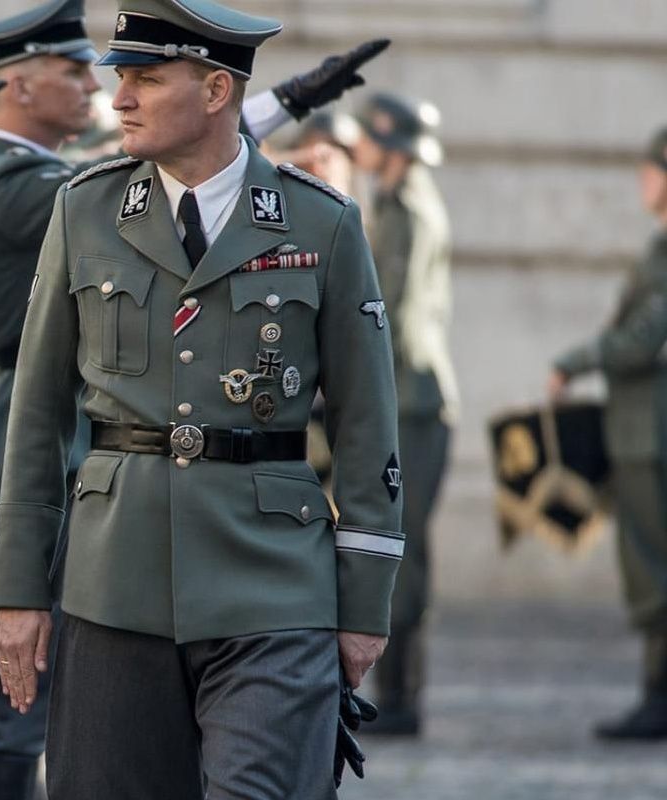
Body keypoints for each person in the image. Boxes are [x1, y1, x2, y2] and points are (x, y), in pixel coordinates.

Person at [0, 0, 384, 792]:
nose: (118, 98)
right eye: (123, 79)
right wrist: (15, 592)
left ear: (217, 92)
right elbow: (37, 413)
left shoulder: (321, 224)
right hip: (114, 583)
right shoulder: (83, 209)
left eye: (146, 80)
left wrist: (366, 603)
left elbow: (366, 429)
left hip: (274, 583)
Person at [550, 127, 667, 741]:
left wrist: (575, 359)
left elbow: (642, 341)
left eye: (651, 170)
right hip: (640, 426)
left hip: (651, 432)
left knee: (652, 566)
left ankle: (660, 700)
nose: (643, 181)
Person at [352, 92, 457, 737]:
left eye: (365, 137)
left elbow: (385, 318)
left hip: (413, 404)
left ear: (388, 147)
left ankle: (403, 698)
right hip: (409, 400)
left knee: (404, 549)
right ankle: (397, 692)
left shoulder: (408, 213)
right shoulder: (394, 206)